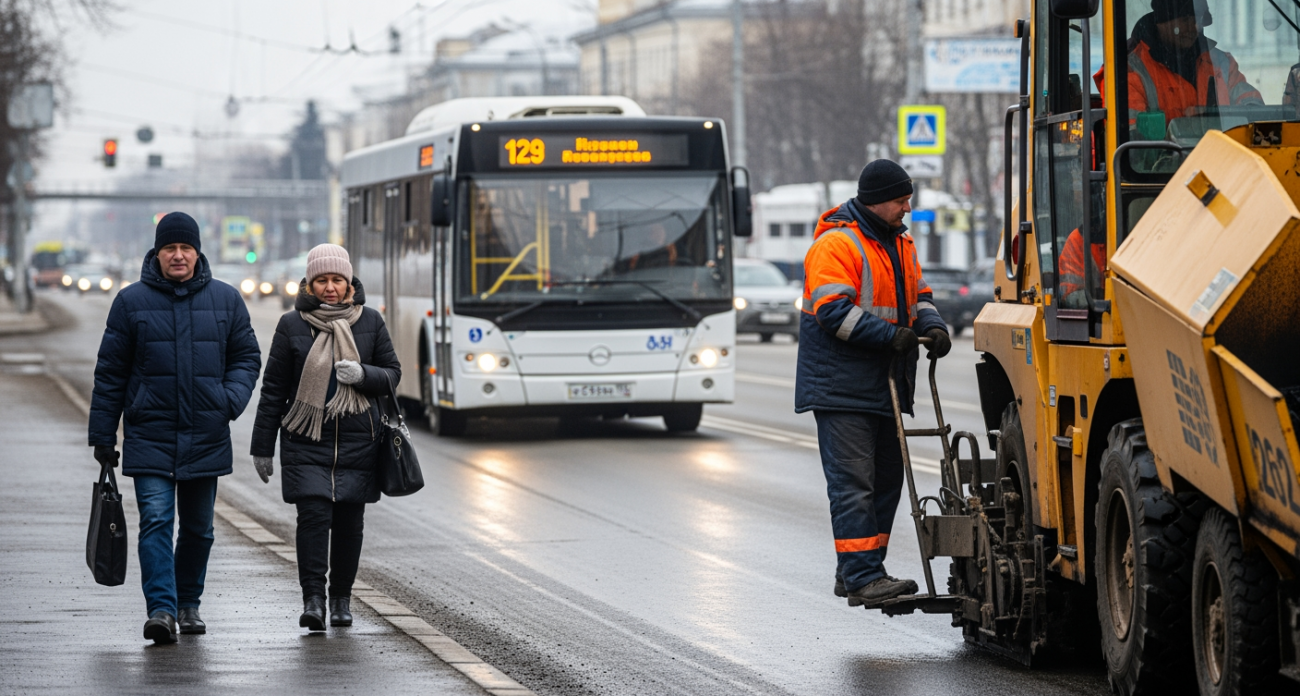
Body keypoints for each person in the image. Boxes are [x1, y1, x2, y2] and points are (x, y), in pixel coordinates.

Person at [88, 212, 262, 644]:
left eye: (186, 248)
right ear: (158, 253)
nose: (179, 255)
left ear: (198, 251)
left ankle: (189, 603)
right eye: (171, 248)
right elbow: (110, 373)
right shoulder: (130, 303)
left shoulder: (226, 300)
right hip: (150, 433)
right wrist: (103, 436)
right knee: (157, 521)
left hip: (206, 433)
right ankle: (161, 610)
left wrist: (229, 400)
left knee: (199, 528)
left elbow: (247, 357)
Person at [795, 160, 951, 608]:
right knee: (854, 483)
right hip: (841, 387)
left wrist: (933, 326)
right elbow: (832, 312)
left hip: (885, 384)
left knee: (887, 481)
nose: (908, 207)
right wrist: (891, 336)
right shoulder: (836, 244)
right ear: (878, 200)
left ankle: (858, 570)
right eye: (902, 200)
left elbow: (918, 296)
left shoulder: (899, 244)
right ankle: (864, 576)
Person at [249, 244, 400, 631]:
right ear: (309, 283)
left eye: (337, 280)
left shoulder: (371, 322)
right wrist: (262, 447)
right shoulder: (291, 325)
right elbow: (273, 390)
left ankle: (341, 600)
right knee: (313, 520)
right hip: (305, 439)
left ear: (349, 283)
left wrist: (364, 376)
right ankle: (313, 600)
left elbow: (393, 374)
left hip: (358, 441)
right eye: (322, 280)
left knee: (350, 524)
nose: (330, 288)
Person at [1097, 0, 1262, 136]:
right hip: (1158, 173)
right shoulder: (1125, 70)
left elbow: (1252, 104)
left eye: (1198, 20)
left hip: (1223, 167)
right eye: (1185, 20)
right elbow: (1132, 144)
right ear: (1164, 21)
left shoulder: (1221, 62)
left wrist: (1251, 112)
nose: (1194, 27)